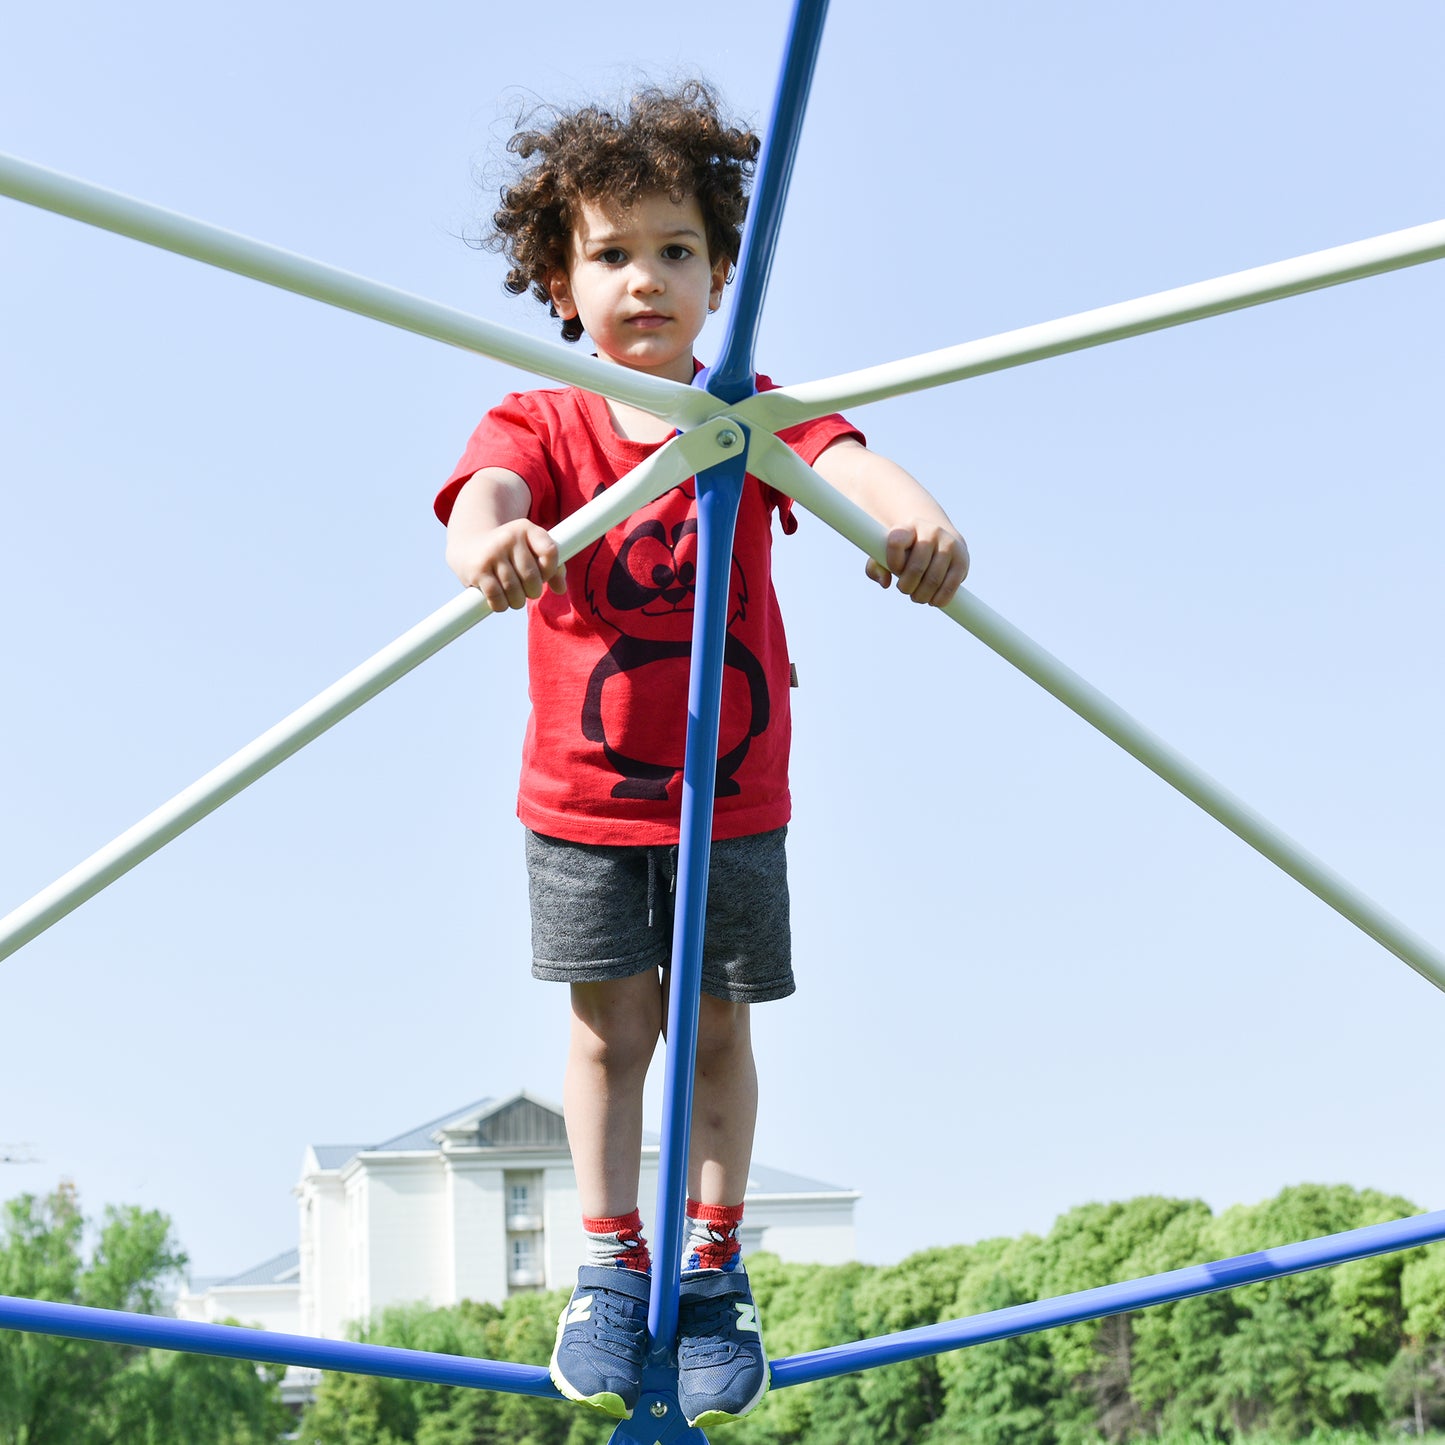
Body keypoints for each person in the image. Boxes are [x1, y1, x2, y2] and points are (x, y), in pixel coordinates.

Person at [435, 81, 968, 1429]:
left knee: (716, 1025)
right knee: (610, 1032)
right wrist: (486, 545)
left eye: (676, 251)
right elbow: (482, 497)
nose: (646, 279)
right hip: (582, 798)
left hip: (732, 795)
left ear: (720, 272)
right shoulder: (541, 423)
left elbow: (855, 465)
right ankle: (611, 1263)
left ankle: (714, 1267)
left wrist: (916, 524)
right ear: (563, 281)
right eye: (612, 253)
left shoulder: (743, 412)